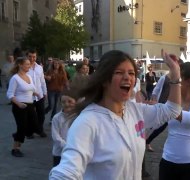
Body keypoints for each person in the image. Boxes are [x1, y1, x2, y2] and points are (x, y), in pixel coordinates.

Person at [49, 49, 181, 179]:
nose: (127, 77)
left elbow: (172, 110)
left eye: (131, 73)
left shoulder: (135, 110)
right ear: (104, 80)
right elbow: (66, 171)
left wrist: (175, 74)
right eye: (119, 72)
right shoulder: (87, 122)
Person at [159, 62, 190, 180]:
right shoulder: (173, 102)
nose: (173, 84)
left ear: (188, 81)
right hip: (168, 160)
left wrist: (169, 110)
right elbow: (159, 120)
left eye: (177, 80)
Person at [6, 57, 40, 157]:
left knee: (34, 126)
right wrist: (19, 103)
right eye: (27, 64)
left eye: (29, 64)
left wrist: (35, 93)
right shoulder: (15, 78)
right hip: (19, 106)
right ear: (20, 65)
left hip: (30, 105)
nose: (29, 66)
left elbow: (30, 88)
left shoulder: (28, 76)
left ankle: (17, 134)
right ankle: (15, 149)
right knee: (22, 127)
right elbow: (10, 94)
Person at [51, 90, 77, 167]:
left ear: (75, 102)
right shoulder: (57, 118)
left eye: (70, 101)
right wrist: (67, 146)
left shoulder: (79, 117)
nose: (67, 104)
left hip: (74, 152)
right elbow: (55, 136)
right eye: (63, 102)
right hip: (59, 153)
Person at [27, 49, 47, 138]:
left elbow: (42, 81)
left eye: (34, 56)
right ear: (27, 57)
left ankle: (40, 130)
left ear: (36, 57)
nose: (32, 58)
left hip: (39, 95)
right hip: (28, 97)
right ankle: (30, 132)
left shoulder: (39, 68)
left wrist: (45, 92)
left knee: (41, 115)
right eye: (30, 56)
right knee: (30, 116)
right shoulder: (24, 68)